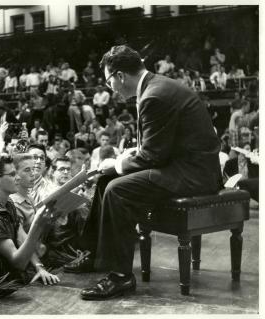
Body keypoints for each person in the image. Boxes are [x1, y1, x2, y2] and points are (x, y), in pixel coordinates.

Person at [67, 45, 222, 300]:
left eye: (108, 82)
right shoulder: (155, 87)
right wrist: (126, 158)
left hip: (194, 175)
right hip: (185, 165)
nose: (110, 88)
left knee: (116, 187)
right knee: (107, 179)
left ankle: (121, 276)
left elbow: (153, 156)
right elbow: (159, 145)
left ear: (119, 76)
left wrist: (117, 164)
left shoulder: (154, 95)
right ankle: (95, 256)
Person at [0, 156, 60, 285]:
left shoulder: (8, 202)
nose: (18, 177)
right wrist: (38, 225)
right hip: (4, 287)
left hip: (17, 277)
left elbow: (22, 239)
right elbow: (18, 262)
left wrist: (39, 267)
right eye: (12, 174)